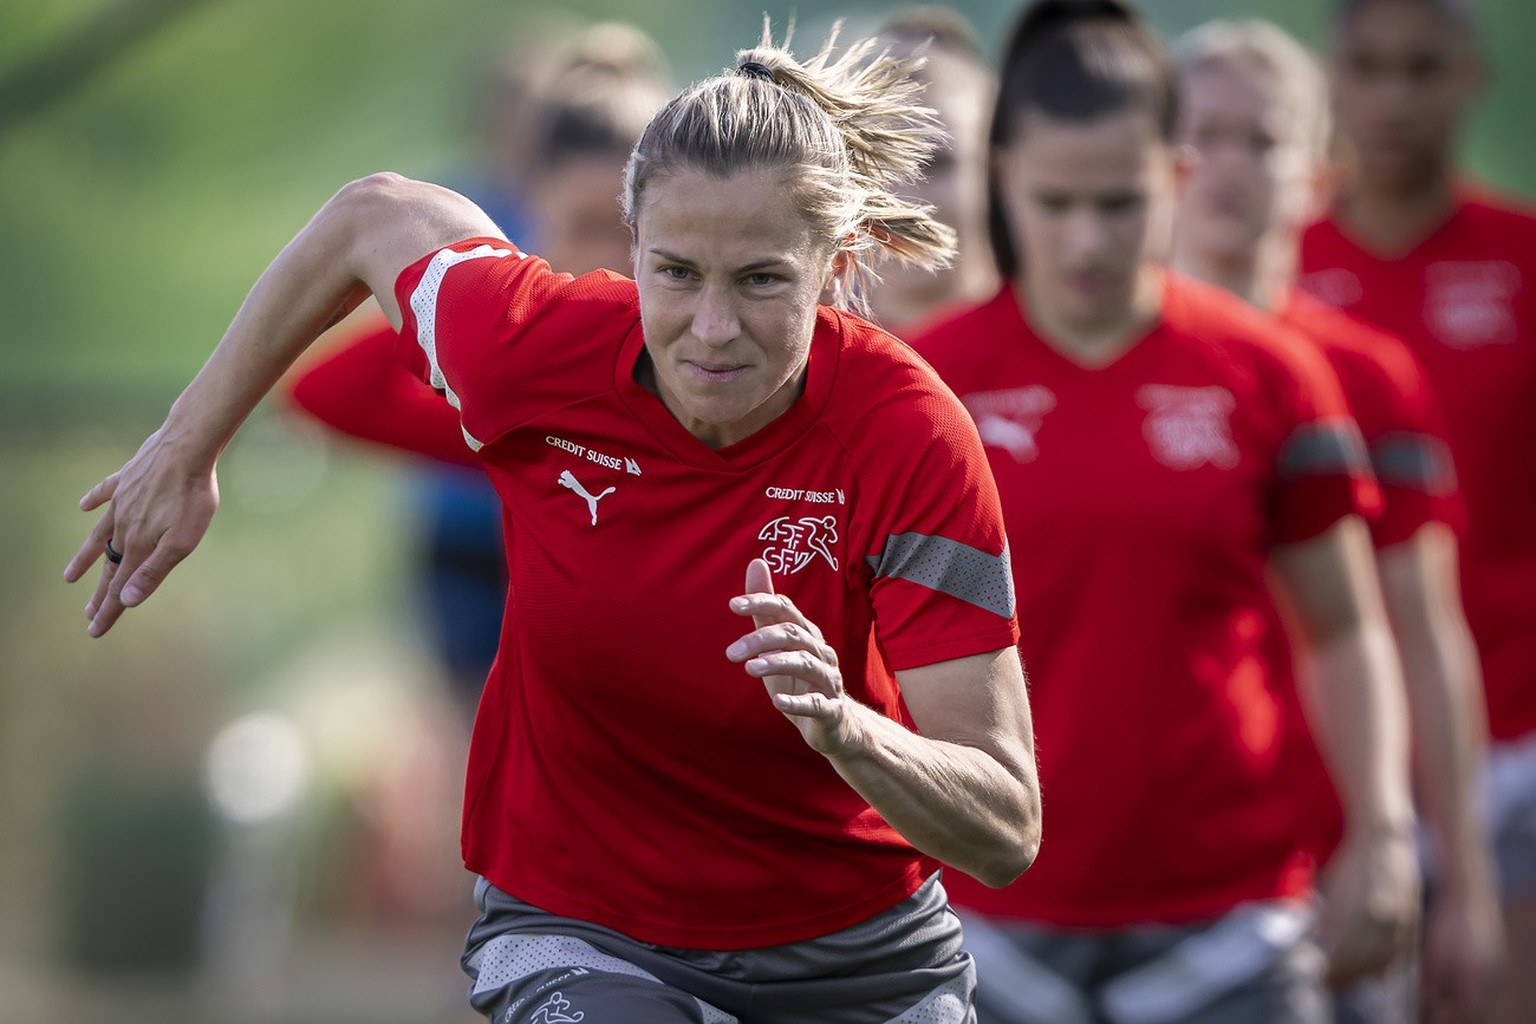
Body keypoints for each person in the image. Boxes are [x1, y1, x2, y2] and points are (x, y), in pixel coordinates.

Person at [63, 24, 1042, 1024]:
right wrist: (187, 446)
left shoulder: (909, 433)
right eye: (674, 273)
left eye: (760, 280)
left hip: (854, 953)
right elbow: (371, 215)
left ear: (832, 266)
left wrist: (849, 729)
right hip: (585, 925)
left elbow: (1005, 822)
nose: (711, 328)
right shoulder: (534, 343)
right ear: (632, 245)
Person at [910, 2, 1418, 1020]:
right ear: (1001, 174)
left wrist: (1385, 827)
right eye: (1054, 202)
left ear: (1175, 177)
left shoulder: (1273, 375)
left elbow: (1347, 627)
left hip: (1231, 924)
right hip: (979, 918)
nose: (1087, 239)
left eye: (1121, 202)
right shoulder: (925, 385)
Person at [1170, 18, 1502, 1023]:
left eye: (1262, 139)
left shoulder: (1366, 373)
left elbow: (1423, 631)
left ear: (1317, 167)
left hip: (1334, 854)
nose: (1230, 166)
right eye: (1206, 135)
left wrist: (1460, 873)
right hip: (1161, 860)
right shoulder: (1101, 358)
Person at [286, 22, 673, 710]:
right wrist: (482, 333)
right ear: (535, 199)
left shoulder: (716, 362)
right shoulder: (477, 240)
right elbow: (325, 391)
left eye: (634, 233)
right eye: (587, 226)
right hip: (474, 545)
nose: (615, 265)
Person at [1298, 3, 1536, 1022]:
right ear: (1332, 78)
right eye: (1369, 67)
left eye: (1421, 68)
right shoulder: (1279, 260)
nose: (1393, 97)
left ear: (1469, 77)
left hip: (1516, 736)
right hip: (1329, 744)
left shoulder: (1524, 259)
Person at [868, 6, 998, 335]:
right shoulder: (802, 359)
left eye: (935, 163)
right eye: (881, 162)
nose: (904, 200)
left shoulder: (1054, 335)